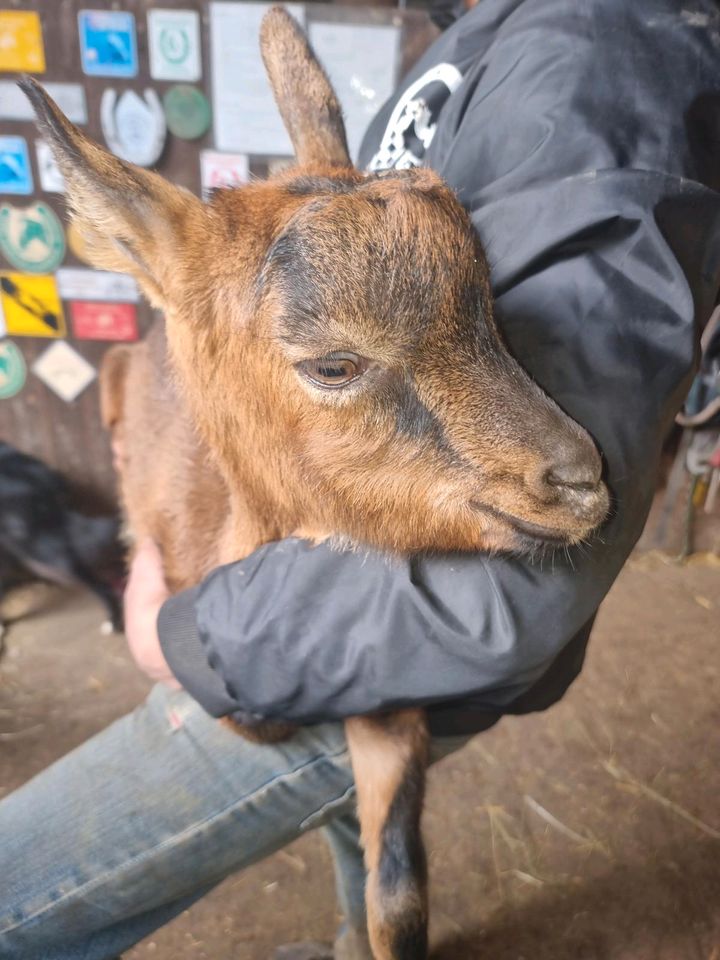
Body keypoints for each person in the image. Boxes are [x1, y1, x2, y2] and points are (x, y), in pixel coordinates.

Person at [2, 0, 719, 958]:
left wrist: (184, 637)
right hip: (283, 605)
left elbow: (506, 606)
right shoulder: (478, 37)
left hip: (350, 638)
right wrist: (154, 568)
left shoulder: (597, 64)